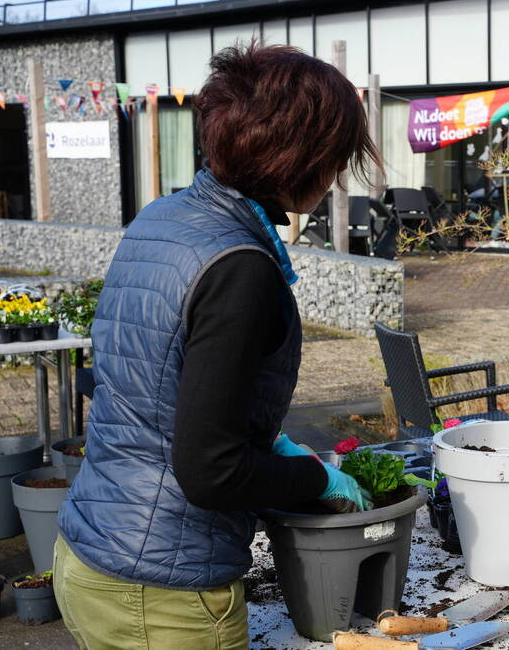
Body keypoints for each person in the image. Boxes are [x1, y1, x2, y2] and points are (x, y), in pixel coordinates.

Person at [53, 42, 378, 649]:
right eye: (335, 158)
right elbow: (210, 473)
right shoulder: (240, 266)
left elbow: (152, 380)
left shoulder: (164, 217)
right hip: (164, 592)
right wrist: (313, 478)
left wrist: (262, 435)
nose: (336, 176)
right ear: (301, 158)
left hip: (91, 551)